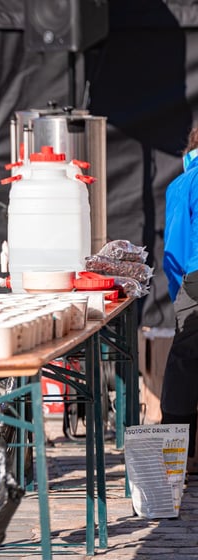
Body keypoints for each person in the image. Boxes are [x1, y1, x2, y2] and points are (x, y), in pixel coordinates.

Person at [160, 124, 198, 473]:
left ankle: (176, 460)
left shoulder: (184, 184)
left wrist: (180, 296)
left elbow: (175, 249)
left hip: (196, 277)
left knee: (185, 362)